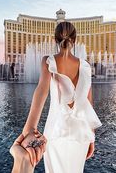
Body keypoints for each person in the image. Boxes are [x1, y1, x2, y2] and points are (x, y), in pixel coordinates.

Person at [10, 21, 102, 173]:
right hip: (82, 134)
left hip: (55, 131)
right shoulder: (85, 65)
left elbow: (41, 91)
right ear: (75, 40)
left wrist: (29, 128)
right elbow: (88, 104)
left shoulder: (49, 60)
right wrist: (91, 137)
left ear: (55, 40)